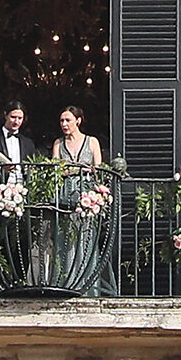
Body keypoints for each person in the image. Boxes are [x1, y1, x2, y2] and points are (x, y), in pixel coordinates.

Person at [50, 106, 113, 295]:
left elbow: (98, 169)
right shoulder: (58, 144)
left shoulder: (91, 141)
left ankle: (87, 288)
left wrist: (79, 171)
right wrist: (77, 169)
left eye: (67, 120)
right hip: (65, 194)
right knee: (66, 239)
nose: (64, 124)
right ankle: (67, 285)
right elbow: (55, 170)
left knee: (86, 239)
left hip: (87, 195)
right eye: (62, 121)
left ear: (78, 121)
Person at [0, 99, 39, 174]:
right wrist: (1, 171)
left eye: (20, 118)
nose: (16, 122)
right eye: (13, 117)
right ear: (5, 115)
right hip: (0, 184)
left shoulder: (28, 143)